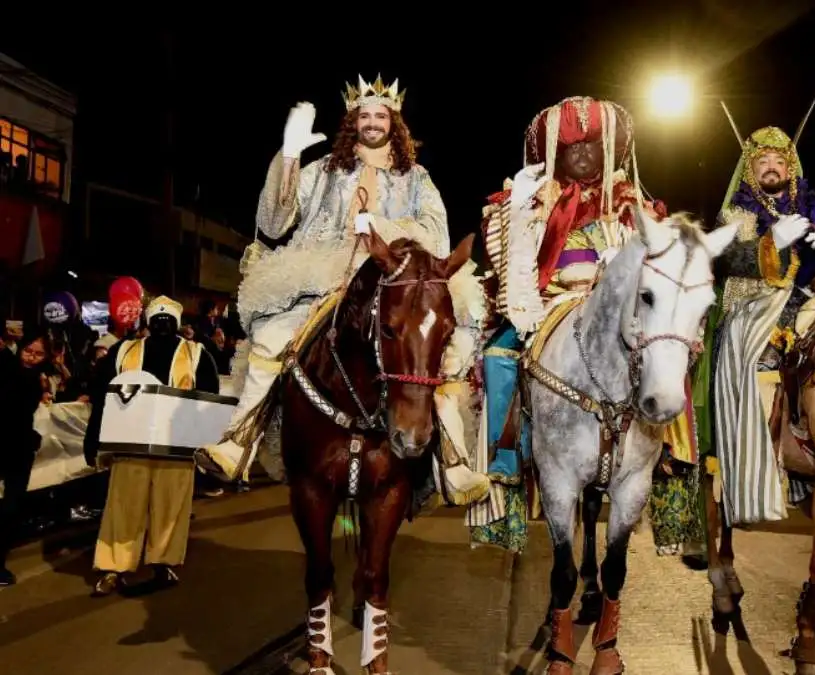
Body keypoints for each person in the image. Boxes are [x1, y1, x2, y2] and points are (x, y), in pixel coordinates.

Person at [197, 76, 485, 501]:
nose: (372, 122)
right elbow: (276, 223)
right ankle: (239, 440)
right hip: (323, 276)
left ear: (394, 123)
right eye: (364, 115)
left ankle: (454, 460)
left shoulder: (417, 179)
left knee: (447, 347)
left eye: (380, 115)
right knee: (273, 337)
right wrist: (290, 155)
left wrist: (382, 231)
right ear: (353, 121)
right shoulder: (322, 171)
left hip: (392, 280)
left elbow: (438, 236)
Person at [471, 96, 677, 551]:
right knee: (497, 355)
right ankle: (509, 454)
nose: (583, 154)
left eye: (591, 145)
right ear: (556, 153)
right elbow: (502, 254)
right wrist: (520, 211)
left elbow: (660, 256)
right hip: (552, 301)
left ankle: (670, 452)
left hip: (618, 304)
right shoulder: (534, 196)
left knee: (668, 352)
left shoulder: (630, 200)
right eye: (572, 147)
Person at [686, 126, 815, 536]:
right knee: (755, 362)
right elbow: (728, 259)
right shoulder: (735, 213)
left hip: (808, 298)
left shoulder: (814, 207)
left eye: (778, 161)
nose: (771, 168)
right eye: (763, 162)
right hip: (753, 303)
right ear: (751, 169)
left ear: (791, 167)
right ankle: (753, 466)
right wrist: (772, 242)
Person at [84, 296, 220, 596]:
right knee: (122, 506)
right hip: (130, 445)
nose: (161, 321)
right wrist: (93, 437)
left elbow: (209, 399)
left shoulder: (197, 353)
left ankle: (163, 562)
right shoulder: (123, 350)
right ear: (147, 320)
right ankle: (115, 566)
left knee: (170, 508)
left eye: (167, 317)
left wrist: (204, 440)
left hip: (176, 447)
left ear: (177, 322)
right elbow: (101, 395)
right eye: (156, 317)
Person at [0, 331, 52, 586]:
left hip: (19, 449)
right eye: (28, 351)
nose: (31, 357)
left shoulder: (34, 378)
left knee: (11, 505)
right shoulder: (11, 371)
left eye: (38, 353)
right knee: (9, 506)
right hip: (11, 444)